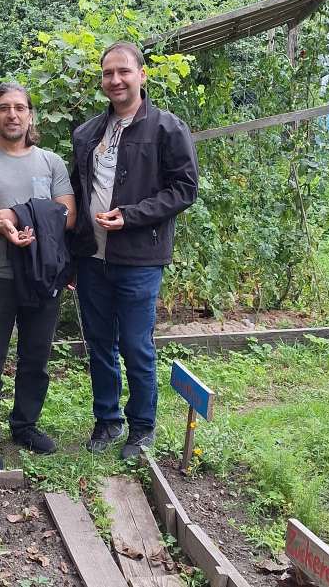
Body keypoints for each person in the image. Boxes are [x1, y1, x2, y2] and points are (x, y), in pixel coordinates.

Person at [69, 42, 199, 460]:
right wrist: (70, 254)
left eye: (123, 71)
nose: (115, 80)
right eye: (108, 73)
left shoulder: (165, 128)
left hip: (140, 258)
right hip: (92, 258)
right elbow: (75, 192)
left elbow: (184, 189)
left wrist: (132, 215)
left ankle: (142, 428)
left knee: (136, 345)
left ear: (142, 75)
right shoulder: (88, 133)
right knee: (99, 342)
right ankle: (107, 421)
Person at [0, 83, 76, 471]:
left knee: (36, 357)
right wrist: (0, 225)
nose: (12, 115)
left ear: (30, 116)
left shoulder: (50, 163)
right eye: (3, 108)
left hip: (42, 275)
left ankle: (25, 425)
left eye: (20, 108)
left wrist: (23, 217)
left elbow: (68, 215)